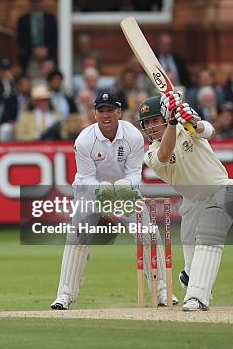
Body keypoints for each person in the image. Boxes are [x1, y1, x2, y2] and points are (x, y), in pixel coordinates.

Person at [51, 92, 176, 310]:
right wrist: (104, 192)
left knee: (148, 233)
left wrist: (124, 188)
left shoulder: (134, 136)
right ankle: (64, 295)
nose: (106, 115)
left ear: (119, 112)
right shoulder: (84, 140)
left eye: (111, 110)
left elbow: (135, 172)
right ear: (95, 113)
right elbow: (88, 177)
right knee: (78, 237)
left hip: (125, 189)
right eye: (101, 110)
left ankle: (162, 291)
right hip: (90, 190)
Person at [138, 91, 233, 311]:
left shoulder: (187, 128)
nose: (151, 126)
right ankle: (189, 276)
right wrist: (174, 121)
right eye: (147, 123)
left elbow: (208, 130)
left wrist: (191, 119)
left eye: (156, 120)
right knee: (194, 264)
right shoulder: (151, 154)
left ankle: (196, 297)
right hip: (192, 202)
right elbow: (165, 155)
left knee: (209, 239)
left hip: (222, 190)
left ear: (164, 117)